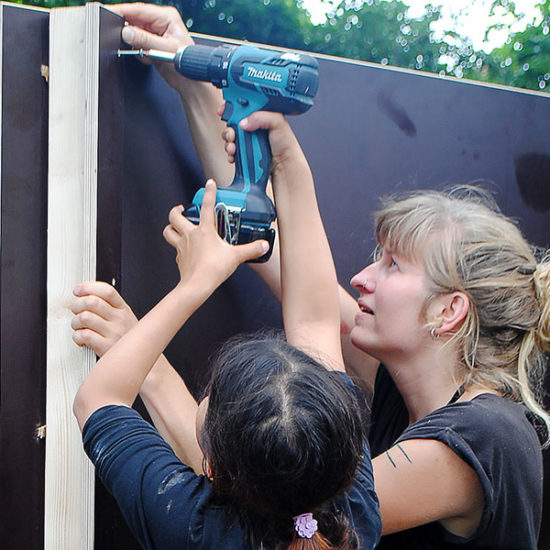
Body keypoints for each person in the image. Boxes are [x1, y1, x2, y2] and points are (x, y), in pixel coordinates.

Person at [77, 3, 550, 548]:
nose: (361, 279)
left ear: (450, 310)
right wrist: (202, 86)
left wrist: (139, 358)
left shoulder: (483, 441)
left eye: (392, 265)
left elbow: (254, 490)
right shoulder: (407, 378)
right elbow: (277, 255)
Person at [72, 103, 382, 550]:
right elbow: (315, 320)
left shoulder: (194, 529)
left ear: (209, 466)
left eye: (209, 394)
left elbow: (97, 397)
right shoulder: (349, 517)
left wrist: (195, 284)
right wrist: (287, 162)